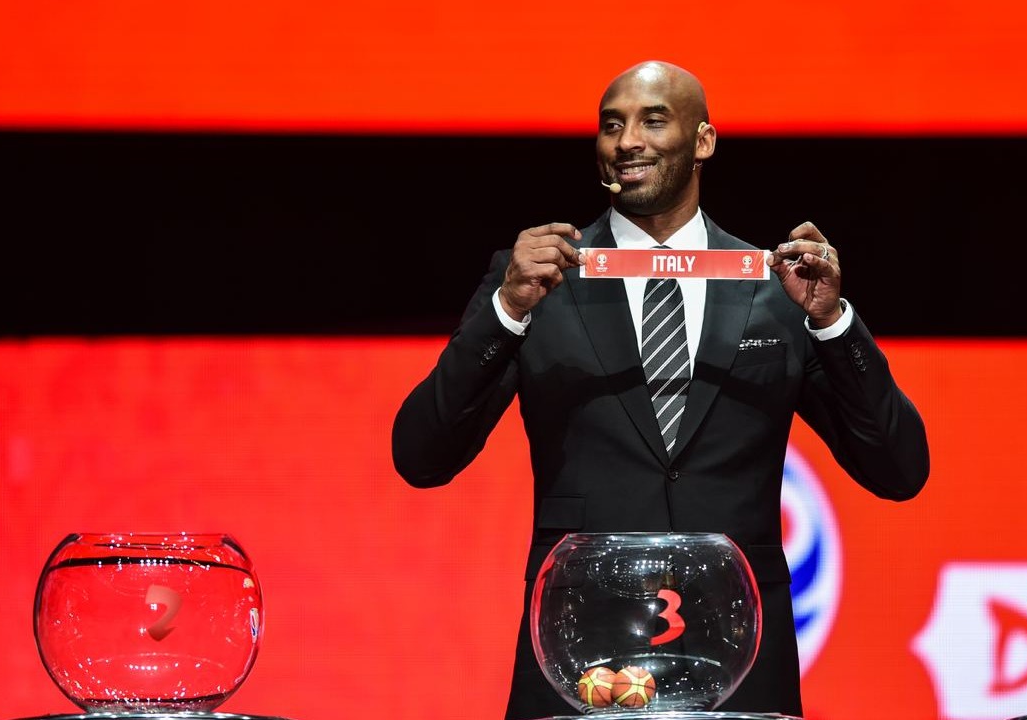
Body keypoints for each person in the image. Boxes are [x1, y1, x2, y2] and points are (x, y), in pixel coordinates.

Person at [392, 60, 929, 719]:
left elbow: (900, 470)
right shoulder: (536, 280)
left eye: (652, 120)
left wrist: (832, 323)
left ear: (703, 141)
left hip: (740, 668)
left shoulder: (777, 289)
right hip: (574, 664)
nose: (628, 141)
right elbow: (421, 456)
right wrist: (505, 313)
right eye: (611, 125)